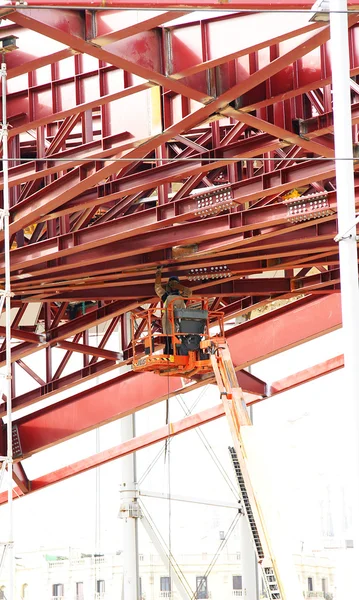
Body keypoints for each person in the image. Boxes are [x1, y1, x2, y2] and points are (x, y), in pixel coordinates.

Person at [155, 266, 192, 354]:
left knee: (180, 340)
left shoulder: (183, 296)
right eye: (171, 283)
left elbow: (189, 292)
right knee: (169, 341)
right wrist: (158, 273)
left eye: (174, 283)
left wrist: (179, 287)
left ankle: (180, 353)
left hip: (179, 322)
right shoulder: (165, 296)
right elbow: (157, 288)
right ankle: (169, 354)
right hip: (168, 322)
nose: (172, 286)